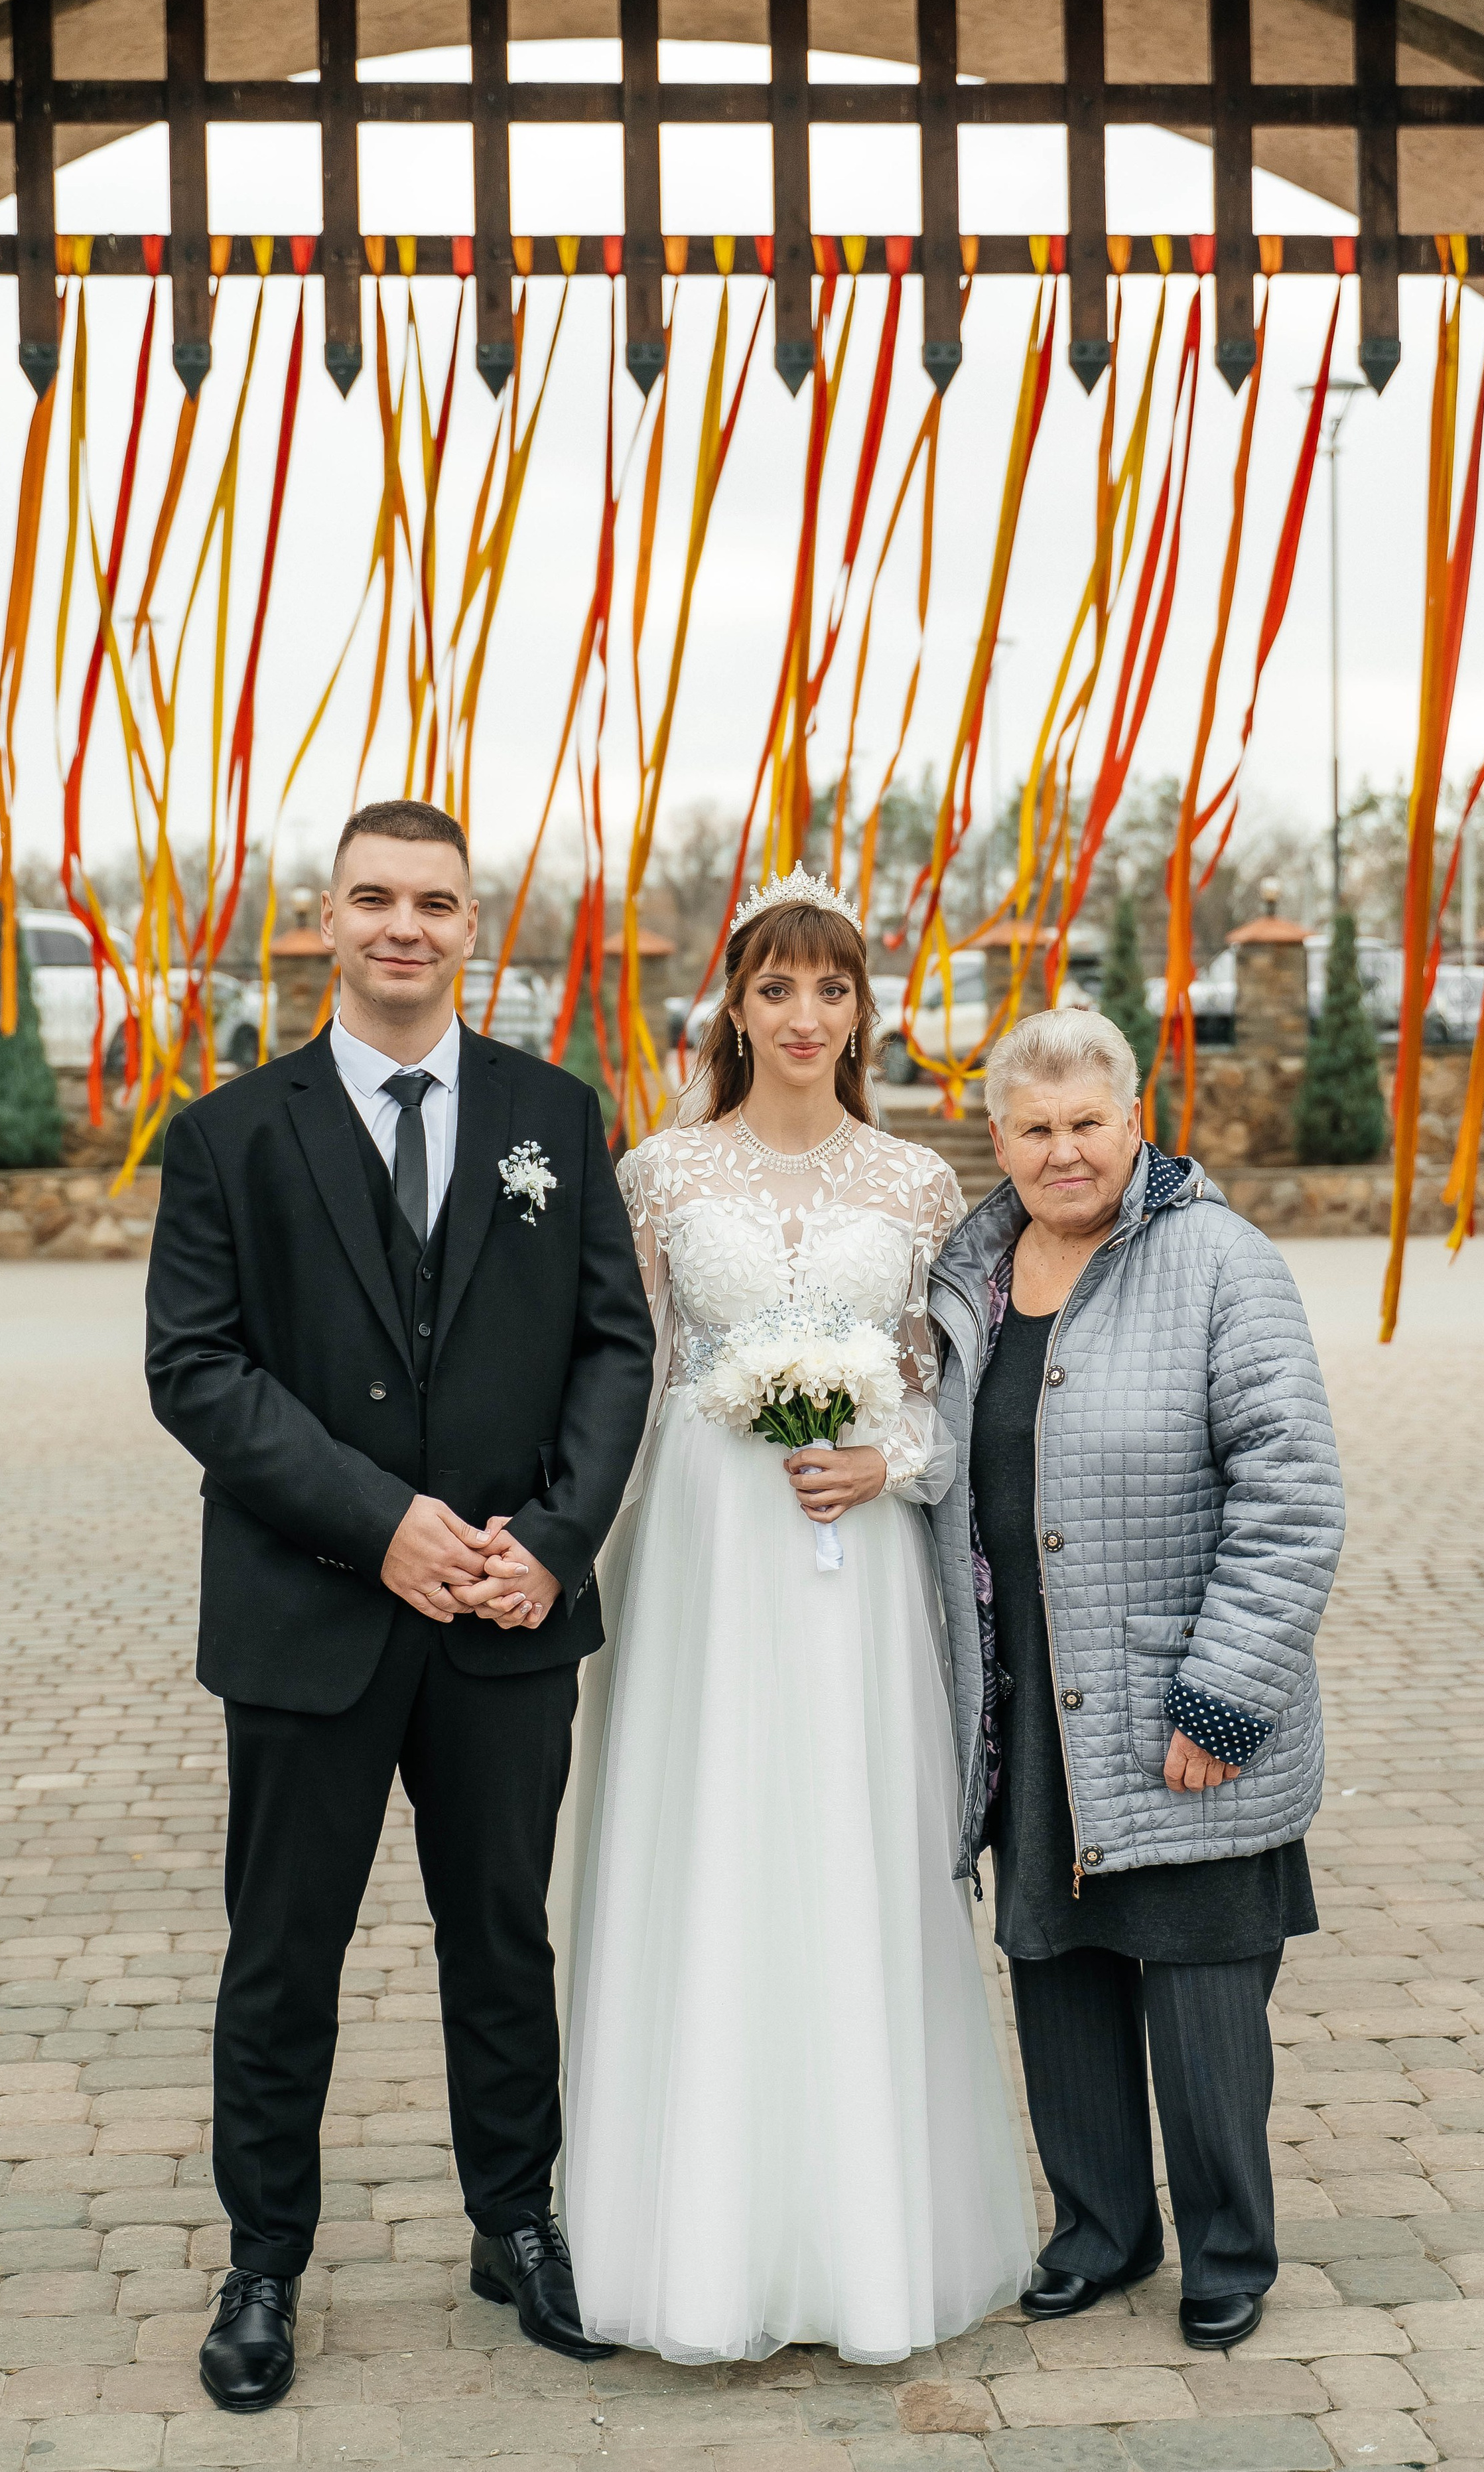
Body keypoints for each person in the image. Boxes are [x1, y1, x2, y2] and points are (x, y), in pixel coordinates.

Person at [145, 799, 654, 2411]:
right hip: (309, 1614)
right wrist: (379, 1529)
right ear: (327, 918)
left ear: (469, 922)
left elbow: (612, 1347)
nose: (403, 927)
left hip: (505, 1620)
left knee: (500, 1938)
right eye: (373, 898)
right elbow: (196, 1369)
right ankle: (263, 2262)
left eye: (433, 901)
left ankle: (517, 2224)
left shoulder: (556, 1116)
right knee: (282, 1953)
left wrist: (553, 1543)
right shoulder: (229, 1131)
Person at [561, 866, 1034, 2366]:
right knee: (707, 1842)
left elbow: (933, 1395)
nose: (803, 1015)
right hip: (705, 1554)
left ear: (860, 1010)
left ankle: (865, 2242)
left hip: (847, 1568)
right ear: (735, 1005)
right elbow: (620, 1379)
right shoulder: (657, 1175)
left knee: (841, 1846)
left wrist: (885, 1458)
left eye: (830, 988)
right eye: (776, 987)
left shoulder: (911, 1185)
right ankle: (686, 2235)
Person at [926, 1007, 1344, 2355]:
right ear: (998, 1137)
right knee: (1060, 1974)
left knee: (1204, 1990)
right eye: (1034, 1129)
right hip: (1032, 1705)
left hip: (1179, 1709)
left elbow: (1288, 1496)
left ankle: (1228, 2246)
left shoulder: (1220, 1262)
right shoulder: (969, 1277)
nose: (1061, 1153)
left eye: (1084, 1124)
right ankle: (1099, 2230)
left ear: (1134, 1120)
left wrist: (1220, 1698)